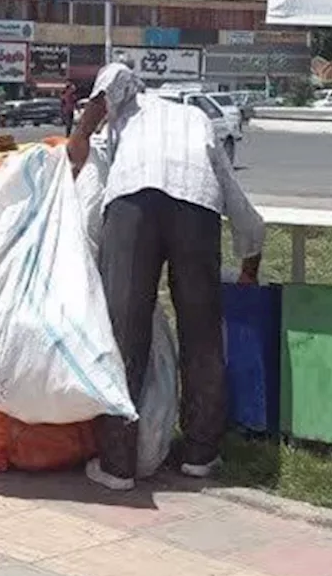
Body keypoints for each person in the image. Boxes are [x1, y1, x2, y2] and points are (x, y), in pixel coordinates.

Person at [66, 61, 266, 492]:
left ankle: (118, 464)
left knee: (123, 330)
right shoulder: (195, 119)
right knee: (201, 329)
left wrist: (81, 134)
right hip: (197, 207)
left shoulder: (117, 123)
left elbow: (114, 76)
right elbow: (236, 198)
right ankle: (199, 453)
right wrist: (250, 263)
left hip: (134, 204)